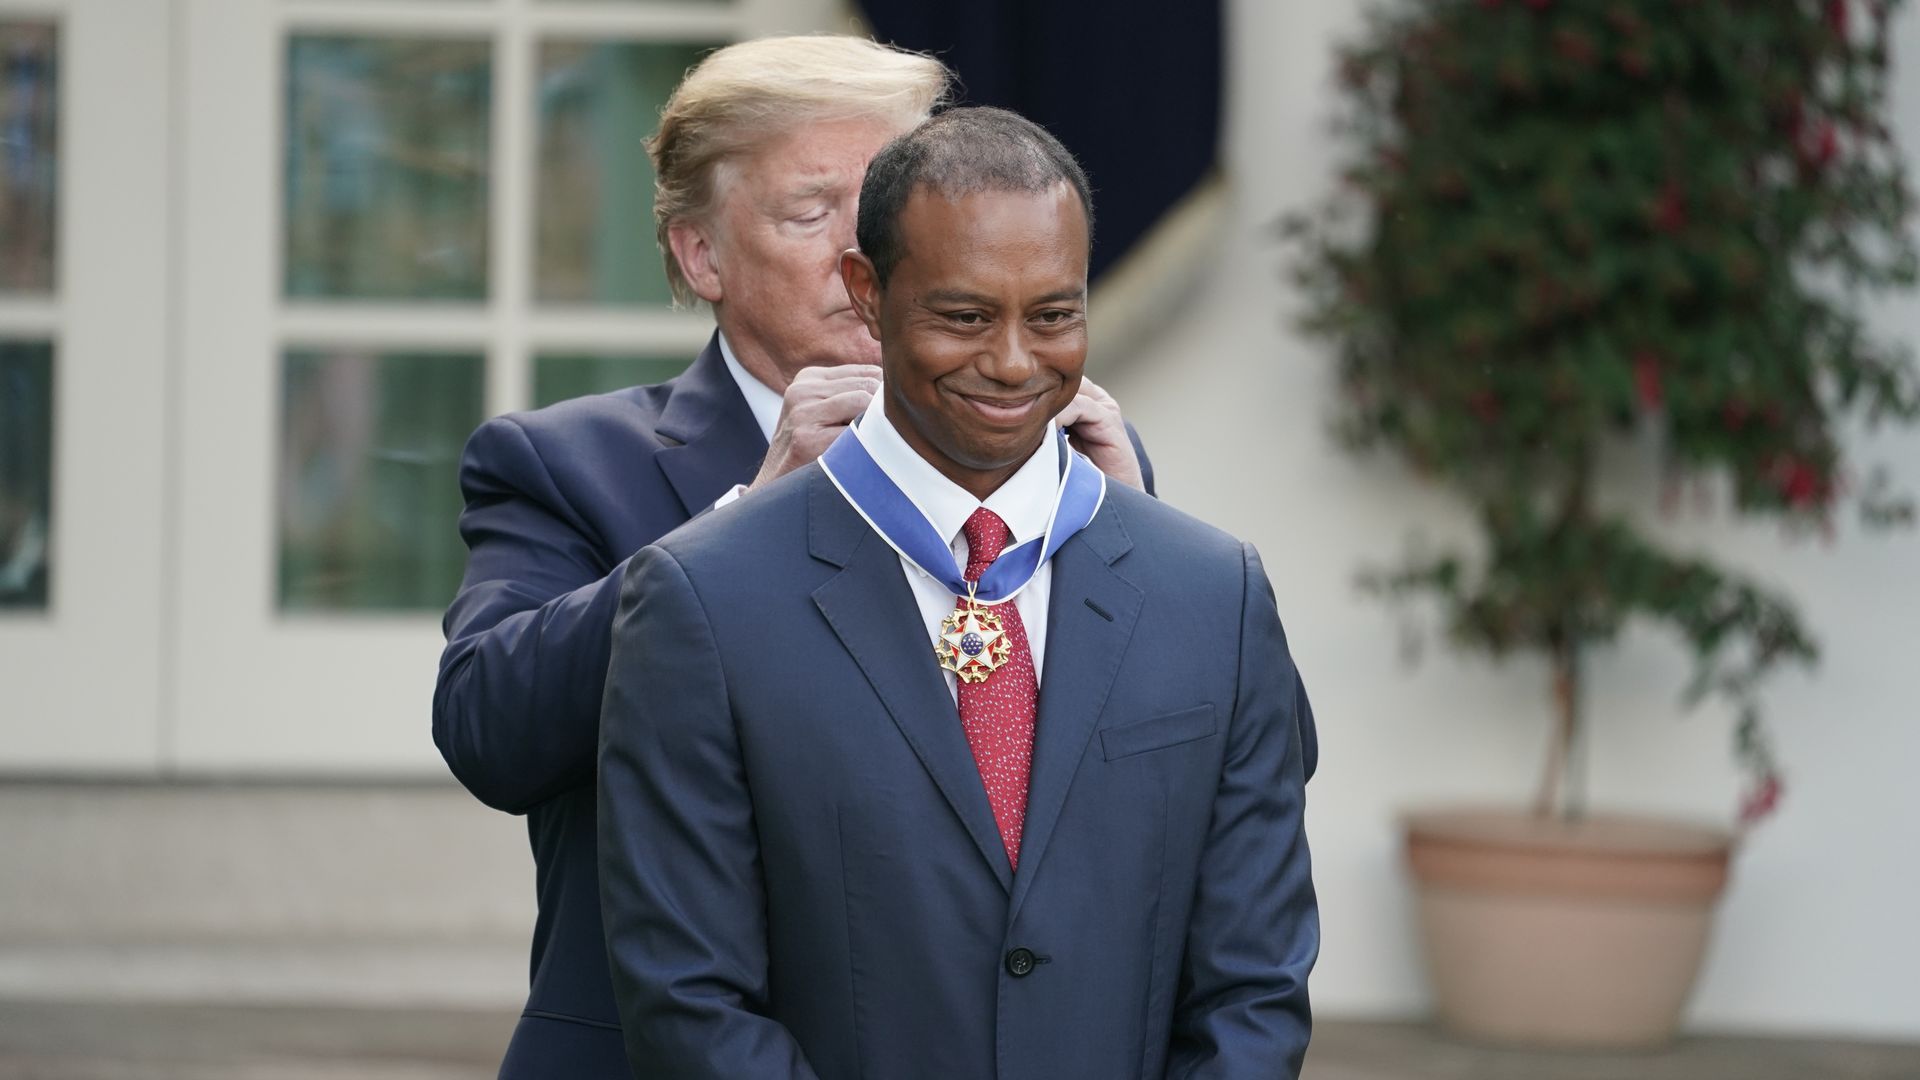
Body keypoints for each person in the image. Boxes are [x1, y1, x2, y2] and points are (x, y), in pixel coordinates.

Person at [433, 38, 1153, 1077]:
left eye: (893, 199)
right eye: (812, 212)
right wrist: (743, 521)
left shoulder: (1083, 467)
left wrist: (1133, 548)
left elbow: (1211, 784)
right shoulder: (568, 466)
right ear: (700, 256)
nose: (867, 251)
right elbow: (487, 732)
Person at [598, 107, 1318, 1079]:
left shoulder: (1214, 596)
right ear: (868, 293)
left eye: (1054, 315)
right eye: (965, 316)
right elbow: (689, 1002)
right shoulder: (701, 602)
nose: (1016, 362)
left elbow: (1253, 989)